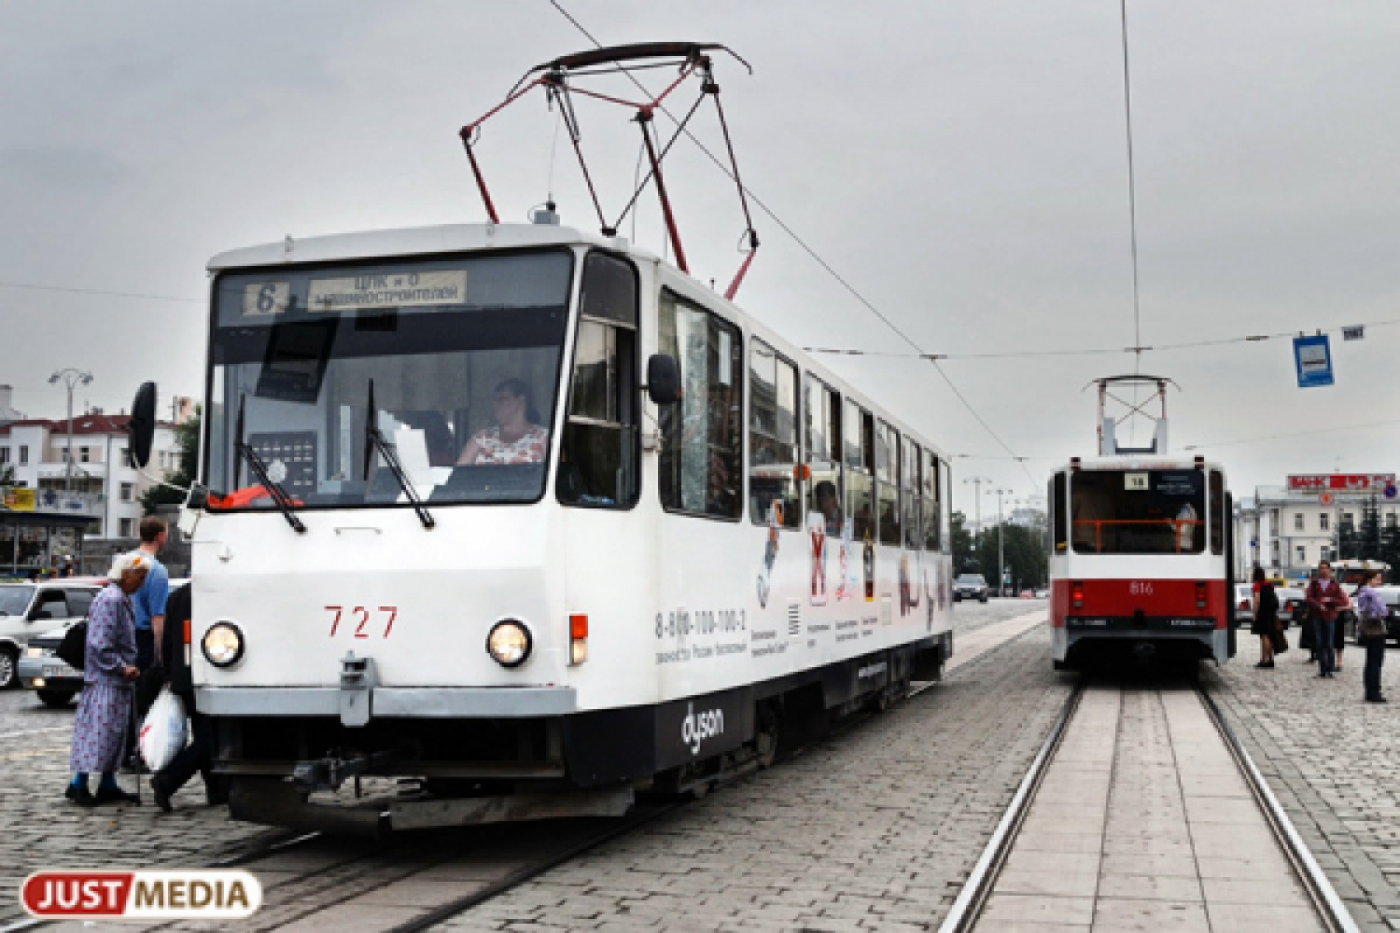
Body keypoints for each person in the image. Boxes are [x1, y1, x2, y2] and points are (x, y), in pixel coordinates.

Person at [66, 552, 148, 807]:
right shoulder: (110, 599)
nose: (143, 582)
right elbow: (99, 643)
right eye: (140, 577)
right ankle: (79, 784)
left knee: (114, 734)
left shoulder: (120, 598)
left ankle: (107, 784)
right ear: (127, 575)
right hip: (105, 680)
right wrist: (121, 667)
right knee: (97, 735)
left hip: (115, 680)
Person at [151, 582, 228, 810]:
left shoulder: (178, 596)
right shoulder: (215, 593)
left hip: (183, 675)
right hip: (208, 674)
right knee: (209, 738)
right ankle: (168, 780)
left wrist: (169, 673)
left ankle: (216, 790)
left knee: (205, 733)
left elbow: (167, 640)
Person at [456, 378, 549, 465]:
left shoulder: (543, 437)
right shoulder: (481, 439)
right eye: (495, 400)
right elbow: (459, 476)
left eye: (502, 399)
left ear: (521, 401)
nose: (496, 404)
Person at [1305, 560, 1345, 678]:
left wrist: (1330, 600)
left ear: (1329, 569)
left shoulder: (1334, 583)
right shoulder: (1314, 583)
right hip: (1317, 616)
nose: (1323, 570)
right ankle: (1322, 669)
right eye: (1321, 568)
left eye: (1325, 568)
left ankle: (1330, 669)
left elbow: (1341, 599)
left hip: (1330, 615)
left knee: (1329, 643)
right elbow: (1308, 598)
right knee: (1319, 643)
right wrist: (1318, 605)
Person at [1354, 569, 1388, 703]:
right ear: (1370, 579)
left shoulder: (1362, 591)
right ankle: (1375, 692)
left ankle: (1369, 690)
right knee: (1376, 661)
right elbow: (1381, 610)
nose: (1379, 581)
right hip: (1375, 628)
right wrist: (1385, 612)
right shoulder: (1372, 592)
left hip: (1366, 627)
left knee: (1370, 661)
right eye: (1377, 578)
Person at [1250, 566, 1279, 669]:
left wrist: (1254, 614)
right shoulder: (1269, 585)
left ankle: (1264, 660)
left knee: (1264, 636)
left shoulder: (1257, 585)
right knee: (1270, 636)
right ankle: (1270, 659)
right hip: (1271, 613)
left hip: (1262, 613)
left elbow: (1257, 600)